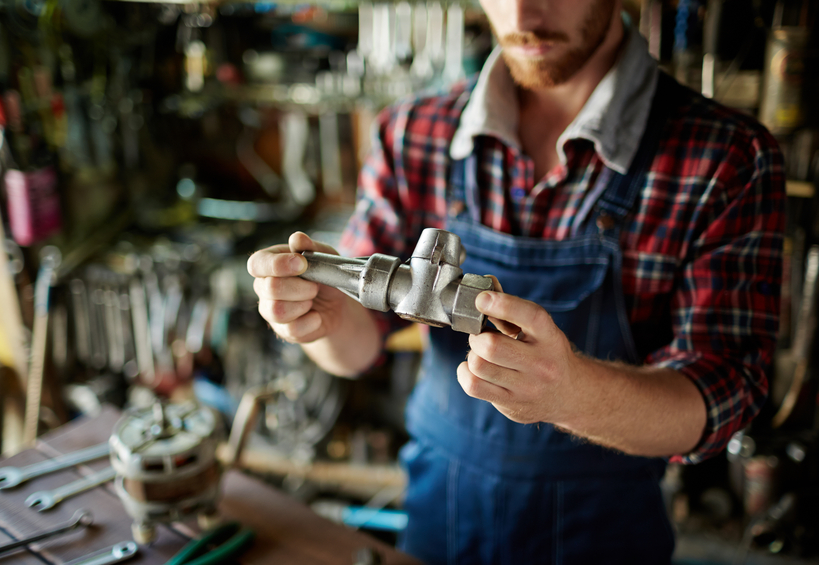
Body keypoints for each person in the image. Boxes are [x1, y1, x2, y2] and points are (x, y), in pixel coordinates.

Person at [248, 0, 786, 562]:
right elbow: (355, 351)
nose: (524, 14)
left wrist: (572, 393)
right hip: (438, 517)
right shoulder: (412, 131)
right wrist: (324, 320)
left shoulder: (728, 158)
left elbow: (722, 396)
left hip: (602, 534)